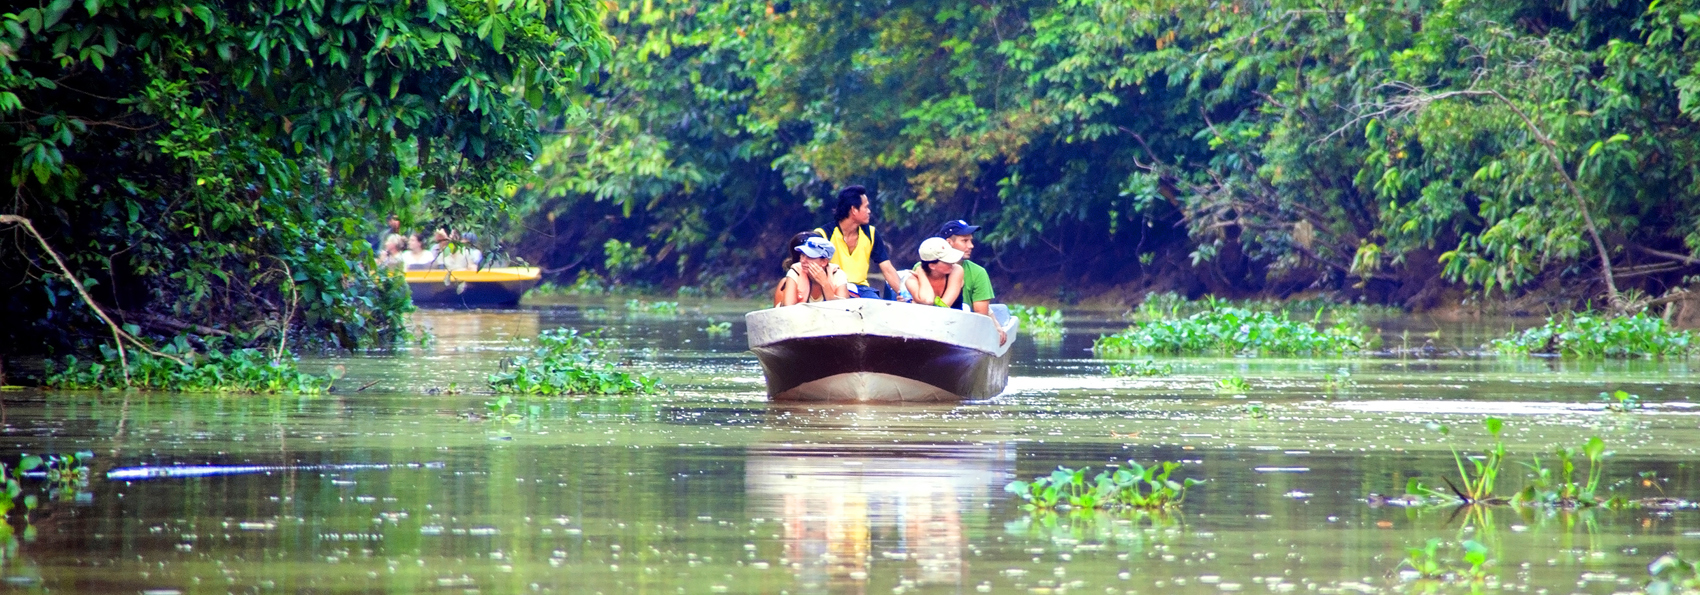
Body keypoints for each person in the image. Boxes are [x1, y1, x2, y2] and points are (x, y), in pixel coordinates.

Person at [815, 185, 900, 299]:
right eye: (866, 207)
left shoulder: (871, 233)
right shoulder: (824, 235)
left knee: (877, 308)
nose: (869, 211)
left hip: (862, 290)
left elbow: (888, 269)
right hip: (833, 288)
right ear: (854, 210)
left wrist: (902, 294)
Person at [936, 219, 1004, 344]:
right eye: (965, 241)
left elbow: (981, 316)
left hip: (966, 331)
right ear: (948, 243)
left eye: (971, 241)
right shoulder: (925, 267)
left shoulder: (978, 273)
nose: (971, 246)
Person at [779, 236, 848, 305]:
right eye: (802, 255)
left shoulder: (837, 274)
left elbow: (842, 309)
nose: (803, 260)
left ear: (824, 262)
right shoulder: (795, 272)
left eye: (809, 257)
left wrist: (825, 284)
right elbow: (788, 307)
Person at [903, 237, 965, 308]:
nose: (952, 263)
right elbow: (928, 300)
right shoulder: (912, 281)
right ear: (932, 266)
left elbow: (944, 306)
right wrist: (922, 274)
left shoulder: (956, 270)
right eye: (947, 261)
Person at [774, 231, 825, 307]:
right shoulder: (786, 283)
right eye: (803, 255)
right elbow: (780, 315)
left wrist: (826, 285)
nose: (805, 260)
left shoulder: (834, 276)